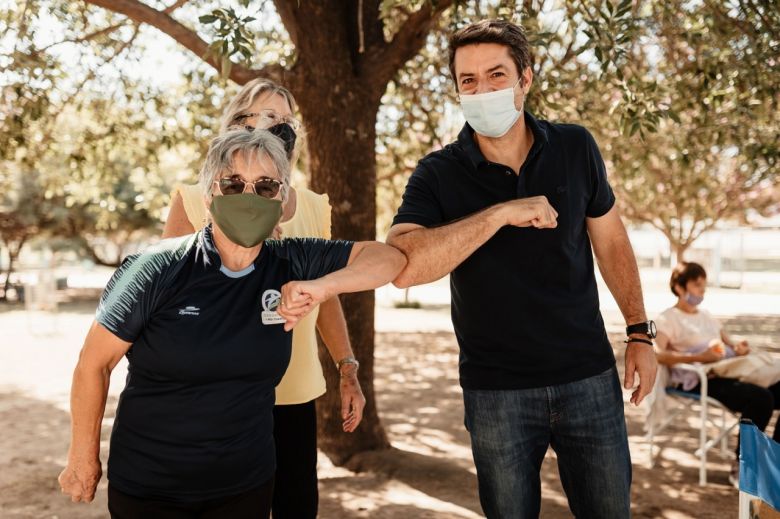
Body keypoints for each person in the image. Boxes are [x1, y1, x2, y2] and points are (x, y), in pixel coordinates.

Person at [58, 129, 406, 518]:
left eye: (266, 186)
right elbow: (93, 365)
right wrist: (82, 458)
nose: (248, 196)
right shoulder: (155, 268)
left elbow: (387, 259)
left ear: (283, 201)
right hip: (151, 488)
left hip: (245, 487)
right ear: (208, 195)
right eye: (232, 183)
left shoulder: (292, 261)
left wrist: (322, 287)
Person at [386, 19, 657, 518]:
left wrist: (640, 333)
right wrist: (498, 215)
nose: (482, 89)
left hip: (588, 377)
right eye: (468, 81)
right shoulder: (437, 173)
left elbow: (612, 241)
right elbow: (405, 264)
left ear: (525, 79)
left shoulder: (576, 147)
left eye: (496, 75)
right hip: (496, 392)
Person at [163, 78, 363, 518]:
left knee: (296, 507)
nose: (284, 128)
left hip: (294, 392)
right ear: (238, 124)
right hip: (220, 395)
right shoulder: (196, 199)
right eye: (271, 117)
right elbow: (173, 298)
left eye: (289, 121)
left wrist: (347, 367)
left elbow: (327, 295)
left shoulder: (312, 205)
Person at [655, 261, 780, 484]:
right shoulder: (667, 319)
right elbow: (658, 355)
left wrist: (740, 348)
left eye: (704, 285)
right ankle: (743, 466)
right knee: (761, 398)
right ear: (679, 287)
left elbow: (730, 345)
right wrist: (699, 358)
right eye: (696, 285)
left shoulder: (707, 316)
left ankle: (776, 462)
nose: (702, 291)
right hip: (700, 378)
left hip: (728, 371)